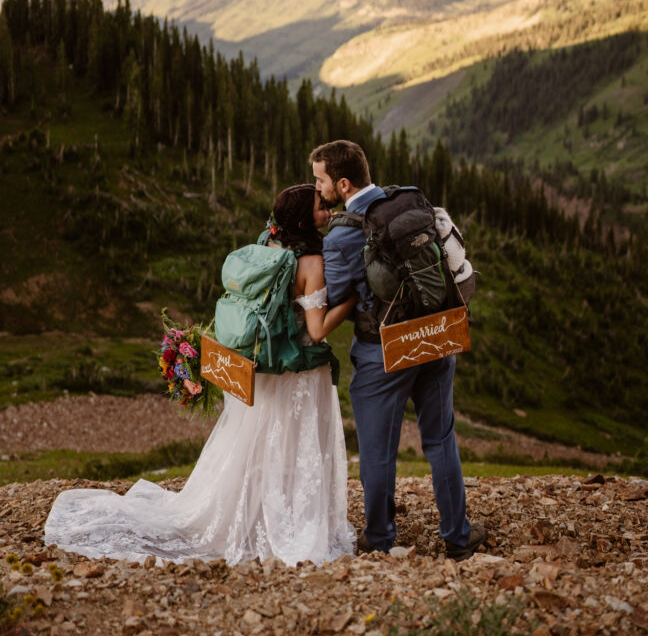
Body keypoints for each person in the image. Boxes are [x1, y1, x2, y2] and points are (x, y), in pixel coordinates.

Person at [44, 184, 356, 566]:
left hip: (263, 368)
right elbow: (319, 329)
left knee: (259, 446)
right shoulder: (311, 263)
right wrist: (352, 298)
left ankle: (251, 516)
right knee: (293, 446)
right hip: (297, 374)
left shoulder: (267, 246)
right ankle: (288, 520)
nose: (328, 210)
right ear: (303, 221)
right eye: (321, 207)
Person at [310, 139, 487, 561]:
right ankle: (458, 537)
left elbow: (335, 295)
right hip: (436, 333)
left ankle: (381, 538)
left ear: (344, 182)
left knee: (377, 447)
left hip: (383, 351)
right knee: (441, 438)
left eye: (321, 181)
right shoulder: (407, 199)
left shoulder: (343, 234)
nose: (317, 189)